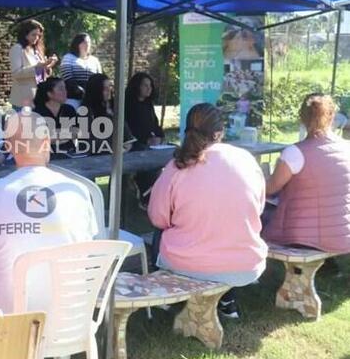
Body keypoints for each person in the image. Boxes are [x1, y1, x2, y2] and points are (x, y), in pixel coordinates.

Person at [0, 111, 98, 312]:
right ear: (46, 143)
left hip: (2, 319)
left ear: (8, 146)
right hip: (68, 315)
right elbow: (88, 245)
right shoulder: (78, 191)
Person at [148, 103, 267, 318]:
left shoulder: (177, 167)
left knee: (161, 232)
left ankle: (167, 293)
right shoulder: (246, 159)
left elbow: (158, 218)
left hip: (187, 263)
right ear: (219, 132)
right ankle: (227, 298)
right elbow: (258, 207)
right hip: (244, 265)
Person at [263, 93, 350, 253]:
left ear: (301, 117)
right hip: (342, 236)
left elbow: (269, 189)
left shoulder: (295, 152)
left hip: (299, 237)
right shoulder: (347, 148)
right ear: (332, 116)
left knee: (259, 214)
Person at [9, 19, 57, 110]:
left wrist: (48, 66)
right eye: (33, 35)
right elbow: (16, 73)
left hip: (38, 98)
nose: (36, 38)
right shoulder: (17, 49)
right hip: (22, 99)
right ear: (25, 34)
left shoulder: (36, 50)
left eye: (39, 35)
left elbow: (40, 75)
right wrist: (38, 67)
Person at [81, 73, 134, 155]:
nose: (109, 90)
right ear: (96, 90)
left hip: (119, 153)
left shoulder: (114, 107)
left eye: (110, 86)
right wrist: (114, 149)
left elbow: (125, 132)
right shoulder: (85, 111)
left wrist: (128, 143)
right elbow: (89, 139)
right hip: (97, 156)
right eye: (105, 88)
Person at [32, 77, 78, 157]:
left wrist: (52, 133)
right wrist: (67, 132)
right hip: (44, 155)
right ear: (49, 93)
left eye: (65, 88)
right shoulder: (37, 113)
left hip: (69, 153)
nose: (65, 92)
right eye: (61, 89)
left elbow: (77, 132)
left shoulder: (69, 109)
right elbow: (39, 137)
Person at [124, 71, 164, 149]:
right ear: (137, 86)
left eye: (150, 85)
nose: (149, 88)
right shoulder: (127, 105)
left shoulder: (148, 104)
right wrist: (146, 140)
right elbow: (129, 129)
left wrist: (160, 137)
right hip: (135, 145)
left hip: (152, 143)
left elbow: (154, 125)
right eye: (145, 85)